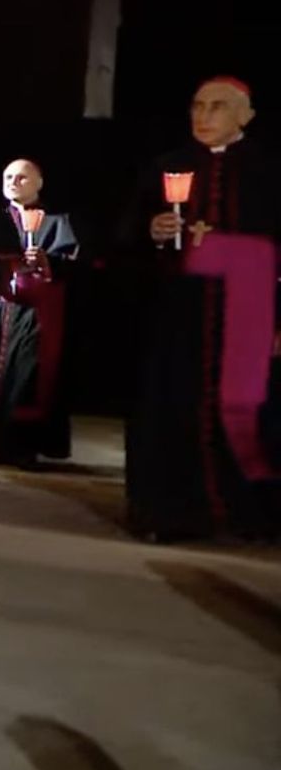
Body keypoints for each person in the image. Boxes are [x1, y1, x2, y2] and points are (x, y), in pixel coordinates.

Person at [122, 76, 280, 542]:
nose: (203, 116)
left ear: (245, 116)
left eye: (217, 107)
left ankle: (248, 514)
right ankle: (171, 514)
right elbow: (125, 239)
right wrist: (152, 230)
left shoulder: (270, 173)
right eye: (197, 106)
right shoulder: (166, 167)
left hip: (249, 319)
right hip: (180, 321)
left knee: (254, 413)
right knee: (173, 411)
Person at [0, 158, 79, 467]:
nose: (13, 182)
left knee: (29, 374)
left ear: (38, 183)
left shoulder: (57, 220)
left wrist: (47, 261)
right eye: (8, 176)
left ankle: (25, 445)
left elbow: (71, 262)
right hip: (0, 307)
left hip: (37, 314)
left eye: (21, 178)